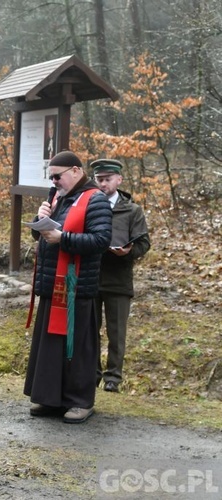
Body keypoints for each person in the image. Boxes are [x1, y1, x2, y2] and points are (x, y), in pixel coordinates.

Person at [24, 150, 112, 424]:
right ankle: (51, 399)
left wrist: (62, 237)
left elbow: (100, 241)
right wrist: (40, 221)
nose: (54, 183)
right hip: (54, 283)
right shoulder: (59, 196)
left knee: (77, 346)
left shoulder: (95, 199)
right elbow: (45, 234)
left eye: (57, 176)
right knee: (51, 345)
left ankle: (79, 402)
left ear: (75, 171)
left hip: (77, 285)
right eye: (51, 178)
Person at [90, 159, 151, 393]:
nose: (103, 184)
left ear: (119, 180)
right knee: (90, 330)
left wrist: (128, 252)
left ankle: (113, 377)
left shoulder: (132, 210)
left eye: (107, 179)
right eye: (99, 179)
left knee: (117, 332)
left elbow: (144, 242)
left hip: (119, 279)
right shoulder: (90, 205)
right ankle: (92, 373)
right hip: (92, 277)